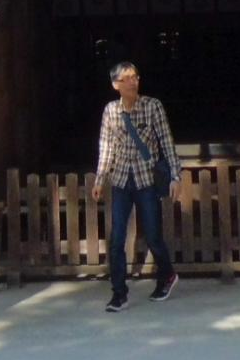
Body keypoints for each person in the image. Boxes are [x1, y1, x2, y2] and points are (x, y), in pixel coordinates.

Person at [90, 61, 179, 312]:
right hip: (120, 180)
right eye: (127, 78)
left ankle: (167, 275)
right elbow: (106, 147)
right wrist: (100, 180)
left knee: (152, 235)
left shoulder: (152, 106)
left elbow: (166, 143)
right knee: (117, 238)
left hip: (146, 179)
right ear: (115, 84)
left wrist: (176, 176)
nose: (133, 81)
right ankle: (119, 292)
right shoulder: (110, 111)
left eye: (136, 76)